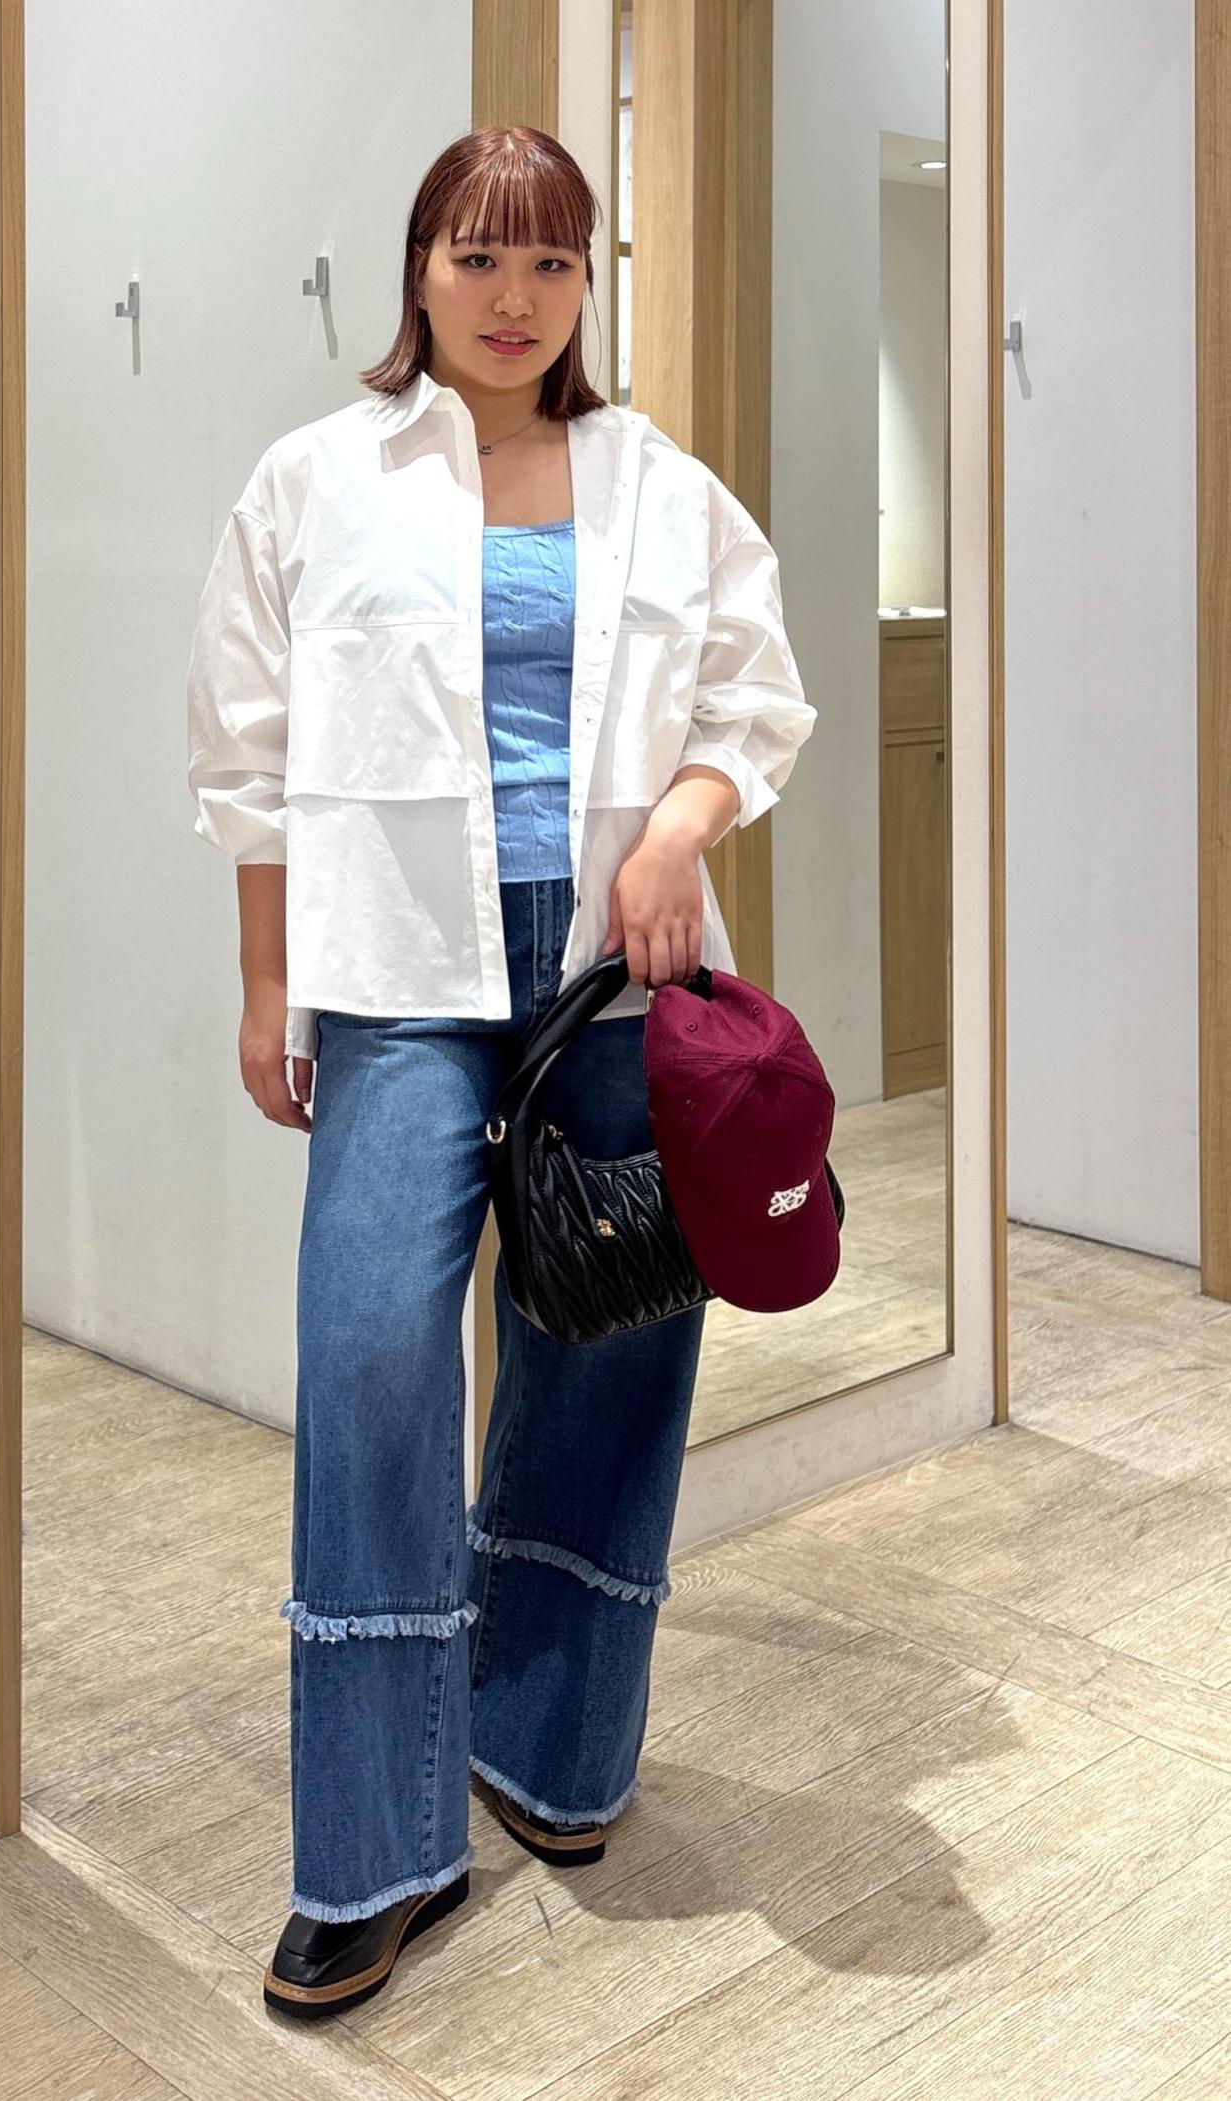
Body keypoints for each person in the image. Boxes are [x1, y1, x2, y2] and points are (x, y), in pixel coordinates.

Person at [185, 124, 815, 2020]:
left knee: (611, 1350)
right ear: (419, 270)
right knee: (373, 1362)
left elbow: (754, 701)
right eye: (477, 256)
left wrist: (679, 831)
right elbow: (247, 753)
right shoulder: (318, 480)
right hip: (395, 970)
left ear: (586, 282)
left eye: (550, 260)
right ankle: (375, 1849)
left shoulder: (661, 487)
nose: (513, 296)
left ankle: (552, 1745)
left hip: (614, 977)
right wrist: (268, 986)